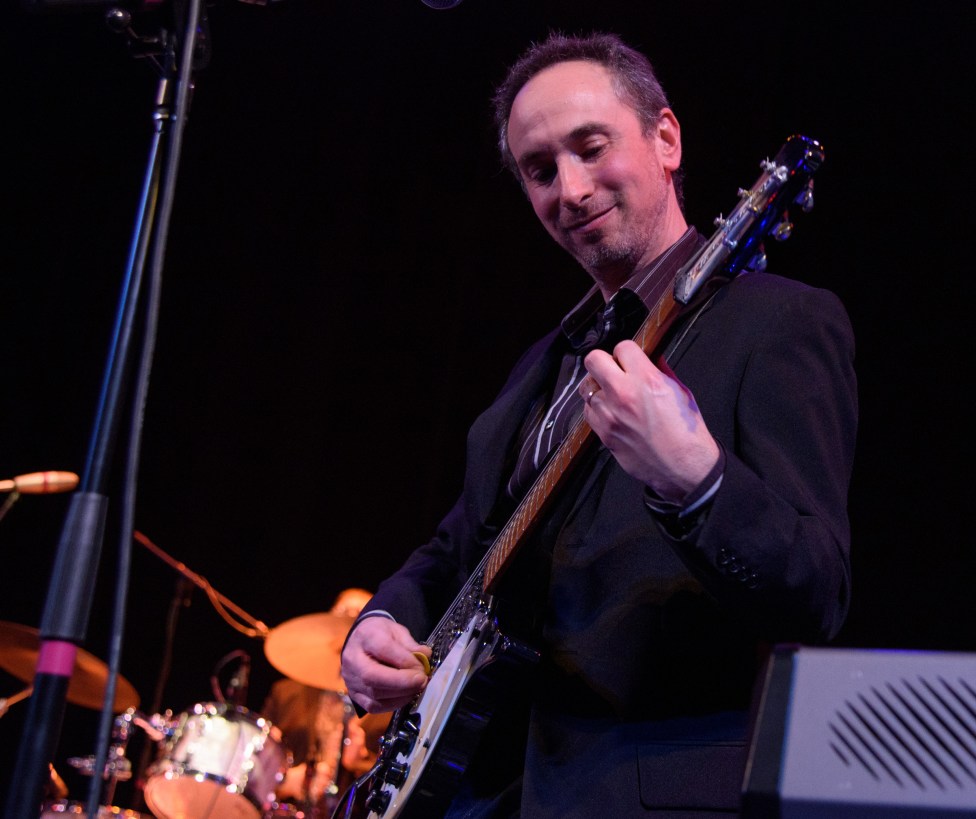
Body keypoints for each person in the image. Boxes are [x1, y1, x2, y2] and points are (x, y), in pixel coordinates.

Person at [341, 31, 857, 818]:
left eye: (591, 148)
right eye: (540, 170)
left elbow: (817, 590)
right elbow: (455, 551)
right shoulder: (541, 365)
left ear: (666, 139)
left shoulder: (780, 323)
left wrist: (695, 481)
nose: (571, 190)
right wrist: (382, 620)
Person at [261, 588, 388, 817]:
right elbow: (255, 762)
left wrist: (362, 763)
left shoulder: (388, 706)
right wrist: (283, 779)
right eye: (344, 612)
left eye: (361, 613)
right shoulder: (286, 693)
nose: (351, 619)